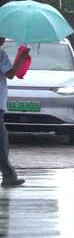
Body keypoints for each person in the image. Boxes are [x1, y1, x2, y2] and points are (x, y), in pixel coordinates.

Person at [0, 37, 28, 187]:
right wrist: (21, 58)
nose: (3, 40)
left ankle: (8, 174)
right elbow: (10, 73)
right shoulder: (0, 54)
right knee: (1, 141)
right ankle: (8, 175)